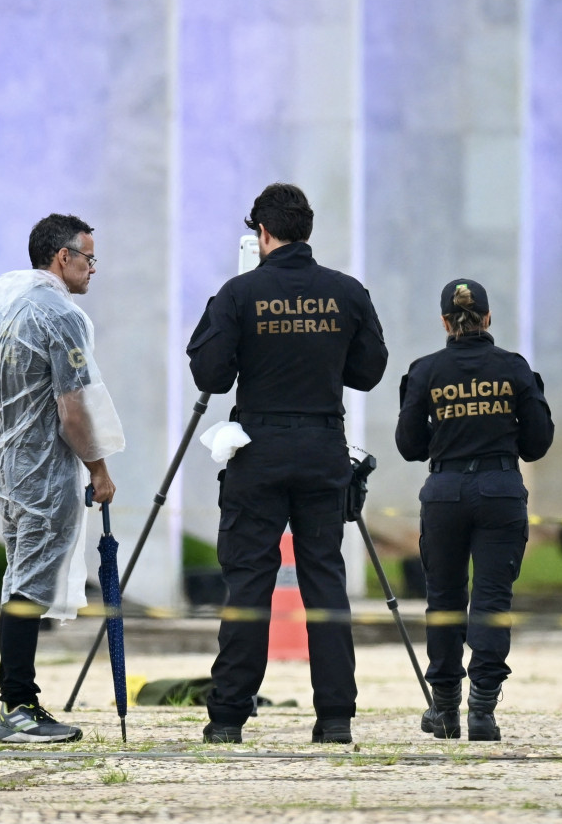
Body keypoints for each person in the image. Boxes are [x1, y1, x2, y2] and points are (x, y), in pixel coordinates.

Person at [187, 183, 388, 746]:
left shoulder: (240, 293)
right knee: (324, 580)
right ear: (306, 230)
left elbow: (211, 376)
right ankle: (335, 718)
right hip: (324, 450)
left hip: (260, 450)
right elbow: (368, 372)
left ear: (263, 233)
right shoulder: (345, 292)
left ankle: (227, 716)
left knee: (249, 581)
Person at [0, 213, 125, 744]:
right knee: (27, 585)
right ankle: (18, 706)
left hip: (7, 471)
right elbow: (74, 410)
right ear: (62, 258)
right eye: (89, 257)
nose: (94, 268)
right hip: (44, 471)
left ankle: (20, 701)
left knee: (17, 580)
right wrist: (98, 468)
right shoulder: (59, 317)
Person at [394, 278, 553, 741]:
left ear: (445, 322)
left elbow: (409, 446)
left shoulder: (425, 371)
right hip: (500, 490)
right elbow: (538, 442)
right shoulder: (514, 368)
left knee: (444, 599)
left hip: (444, 493)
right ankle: (483, 710)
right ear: (487, 318)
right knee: (491, 600)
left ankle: (445, 710)